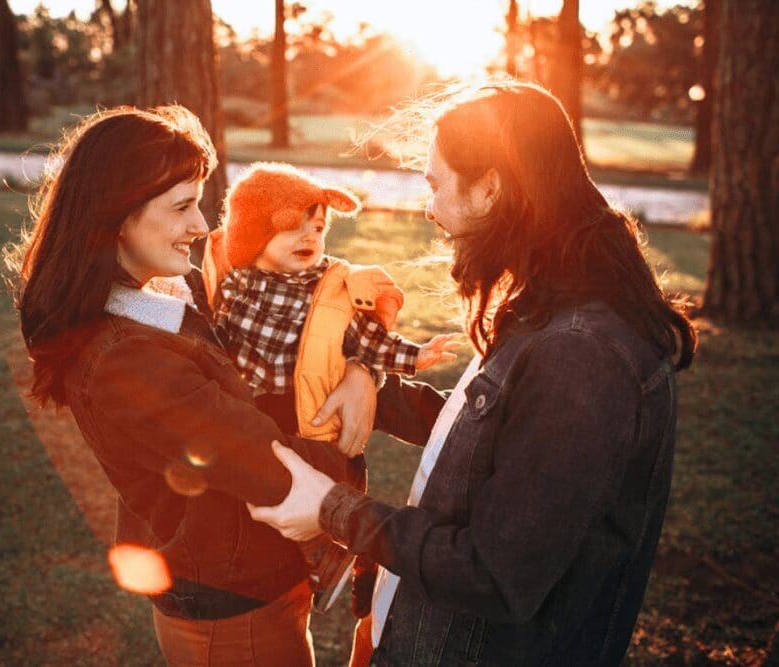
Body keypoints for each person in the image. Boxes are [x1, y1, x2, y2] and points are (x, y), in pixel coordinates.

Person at [248, 79, 697, 666]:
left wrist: (333, 509)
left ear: (491, 188)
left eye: (436, 185)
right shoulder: (557, 305)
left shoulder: (581, 355)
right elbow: (501, 444)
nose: (429, 209)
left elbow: (494, 574)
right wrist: (367, 380)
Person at [7, 105, 381, 666]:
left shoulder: (166, 297)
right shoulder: (125, 358)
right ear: (116, 217)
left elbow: (291, 348)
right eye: (182, 206)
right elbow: (266, 464)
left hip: (252, 577)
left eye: (199, 204)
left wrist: (360, 371)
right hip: (231, 608)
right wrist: (355, 465)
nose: (202, 227)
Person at [203, 162, 459, 612]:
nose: (310, 237)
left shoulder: (329, 289)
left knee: (325, 478)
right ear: (253, 236)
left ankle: (345, 556)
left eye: (319, 228)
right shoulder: (232, 285)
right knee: (270, 487)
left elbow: (369, 340)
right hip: (260, 409)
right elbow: (214, 339)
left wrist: (416, 356)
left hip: (315, 399)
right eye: (293, 227)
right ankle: (331, 558)